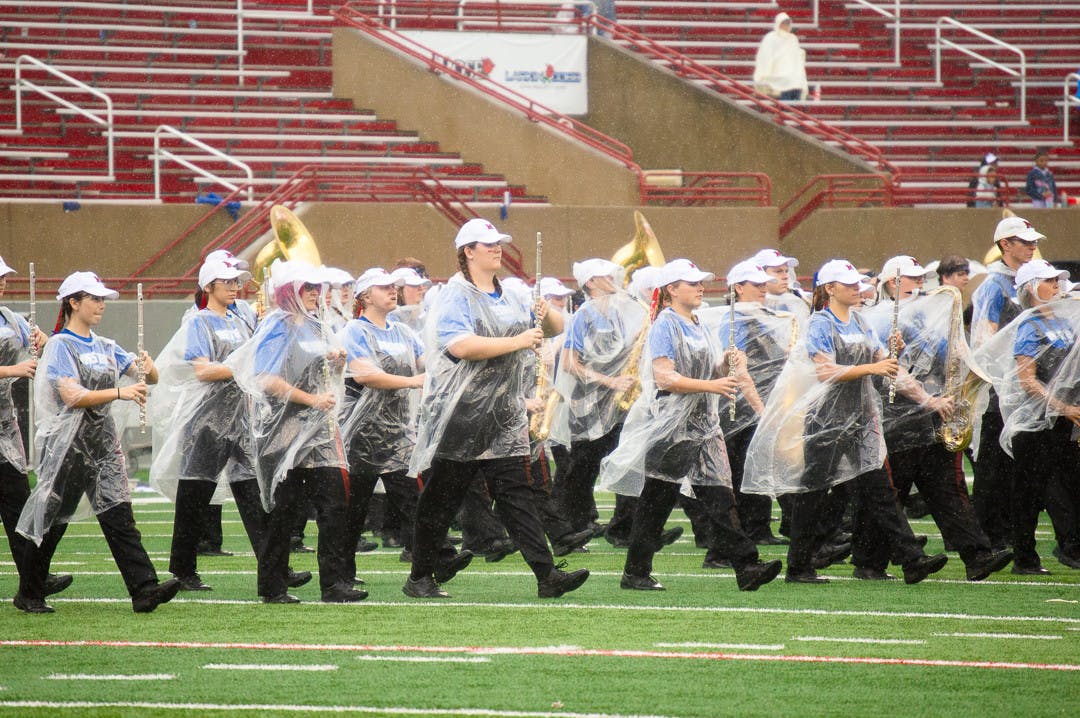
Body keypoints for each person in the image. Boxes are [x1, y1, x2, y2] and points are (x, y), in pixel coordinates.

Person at [405, 218, 589, 599]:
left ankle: (546, 574)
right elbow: (461, 347)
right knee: (442, 498)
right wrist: (520, 340)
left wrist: (545, 311)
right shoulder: (454, 295)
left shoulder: (512, 294)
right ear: (467, 251)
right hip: (462, 412)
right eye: (486, 244)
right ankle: (420, 574)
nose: (496, 249)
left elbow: (553, 329)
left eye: (498, 243)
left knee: (516, 494)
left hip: (503, 412)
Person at [743, 260, 949, 584]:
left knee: (881, 492)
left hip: (860, 421)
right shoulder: (820, 324)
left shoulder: (861, 322)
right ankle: (799, 566)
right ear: (830, 289)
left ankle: (912, 560)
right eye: (848, 284)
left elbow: (883, 363)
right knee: (813, 494)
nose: (857, 289)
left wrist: (899, 361)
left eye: (857, 284)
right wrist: (873, 368)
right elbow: (824, 371)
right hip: (824, 422)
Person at [598, 259, 783, 592]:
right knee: (658, 500)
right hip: (672, 425)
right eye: (692, 283)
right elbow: (665, 377)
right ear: (672, 289)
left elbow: (707, 369)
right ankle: (636, 571)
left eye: (701, 283)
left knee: (719, 495)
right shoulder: (665, 325)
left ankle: (746, 564)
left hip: (703, 422)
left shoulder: (698, 323)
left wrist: (725, 364)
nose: (700, 287)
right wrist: (714, 385)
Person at [16, 272, 181, 613]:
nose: (101, 304)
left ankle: (144, 589)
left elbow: (147, 376)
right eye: (93, 298)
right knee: (52, 521)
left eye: (102, 298)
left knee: (119, 515)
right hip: (67, 448)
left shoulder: (105, 346)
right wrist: (120, 392)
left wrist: (148, 369)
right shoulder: (61, 345)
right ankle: (29, 591)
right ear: (73, 303)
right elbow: (71, 394)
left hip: (103, 448)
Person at [149, 258, 306, 594]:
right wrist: (245, 365)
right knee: (195, 496)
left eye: (237, 281)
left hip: (243, 418)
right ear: (209, 287)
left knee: (257, 496)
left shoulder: (244, 316)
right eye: (227, 281)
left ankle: (275, 568)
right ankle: (182, 569)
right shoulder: (198, 322)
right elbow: (203, 371)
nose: (236, 287)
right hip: (208, 421)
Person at [861, 256, 1013, 581]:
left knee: (946, 489)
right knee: (892, 493)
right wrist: (925, 396)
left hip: (934, 418)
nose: (921, 285)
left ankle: (977, 555)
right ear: (893, 283)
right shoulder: (876, 321)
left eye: (922, 278)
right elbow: (885, 374)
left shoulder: (929, 319)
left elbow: (952, 361)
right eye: (914, 279)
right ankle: (869, 560)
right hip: (897, 421)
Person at [226, 260, 364, 604]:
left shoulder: (318, 326)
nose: (317, 294)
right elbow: (267, 379)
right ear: (291, 291)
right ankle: (272, 586)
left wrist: (337, 363)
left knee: (334, 506)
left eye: (318, 289)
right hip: (282, 432)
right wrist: (311, 399)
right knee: (284, 511)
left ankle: (333, 584)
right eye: (309, 288)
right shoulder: (277, 326)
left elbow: (322, 372)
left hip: (318, 433)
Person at [975, 260, 1080, 572]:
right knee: (1028, 493)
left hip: (1060, 420)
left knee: (1070, 483)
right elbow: (1027, 380)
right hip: (1034, 423)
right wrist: (1063, 407)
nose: (1056, 286)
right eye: (1049, 281)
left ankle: (1070, 545)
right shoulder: (1029, 326)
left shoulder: (1063, 322)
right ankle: (1025, 557)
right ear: (1032, 288)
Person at [339, 268, 426, 582]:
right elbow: (364, 375)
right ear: (365, 296)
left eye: (394, 287)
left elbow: (426, 359)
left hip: (396, 432)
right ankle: (342, 572)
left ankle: (431, 563)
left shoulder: (401, 331)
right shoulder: (355, 331)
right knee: (354, 508)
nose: (393, 291)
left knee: (415, 500)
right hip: (362, 433)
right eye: (384, 287)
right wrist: (413, 381)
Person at [700, 260, 795, 547]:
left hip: (757, 406)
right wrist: (762, 410)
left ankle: (758, 529)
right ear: (738, 288)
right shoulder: (735, 320)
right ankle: (730, 539)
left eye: (765, 285)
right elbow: (738, 370)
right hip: (737, 409)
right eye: (757, 285)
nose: (763, 290)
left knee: (756, 466)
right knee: (740, 471)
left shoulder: (761, 316)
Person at [970, 216, 1041, 552]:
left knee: (1018, 462)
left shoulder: (1031, 279)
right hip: (1003, 385)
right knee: (994, 462)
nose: (1031, 246)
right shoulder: (993, 285)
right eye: (1023, 241)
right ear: (1005, 245)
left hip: (1025, 384)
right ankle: (990, 531)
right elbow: (985, 337)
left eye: (1031, 241)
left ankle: (1009, 529)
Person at [0, 258, 67, 613]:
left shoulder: (10, 317)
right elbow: (16, 366)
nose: (3, 283)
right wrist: (14, 368)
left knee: (19, 507)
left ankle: (33, 579)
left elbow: (37, 341)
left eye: (5, 278)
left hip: (4, 426)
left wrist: (43, 340)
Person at [753, 12, 809, 101]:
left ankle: (794, 106)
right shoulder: (770, 37)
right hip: (775, 71)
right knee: (788, 79)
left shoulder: (793, 38)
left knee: (798, 79)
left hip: (790, 70)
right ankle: (785, 106)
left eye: (787, 23)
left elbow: (796, 59)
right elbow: (766, 57)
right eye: (783, 23)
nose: (785, 26)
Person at [752, 249, 811, 327]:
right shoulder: (749, 306)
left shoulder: (800, 299)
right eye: (778, 271)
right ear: (760, 274)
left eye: (786, 271)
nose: (786, 276)